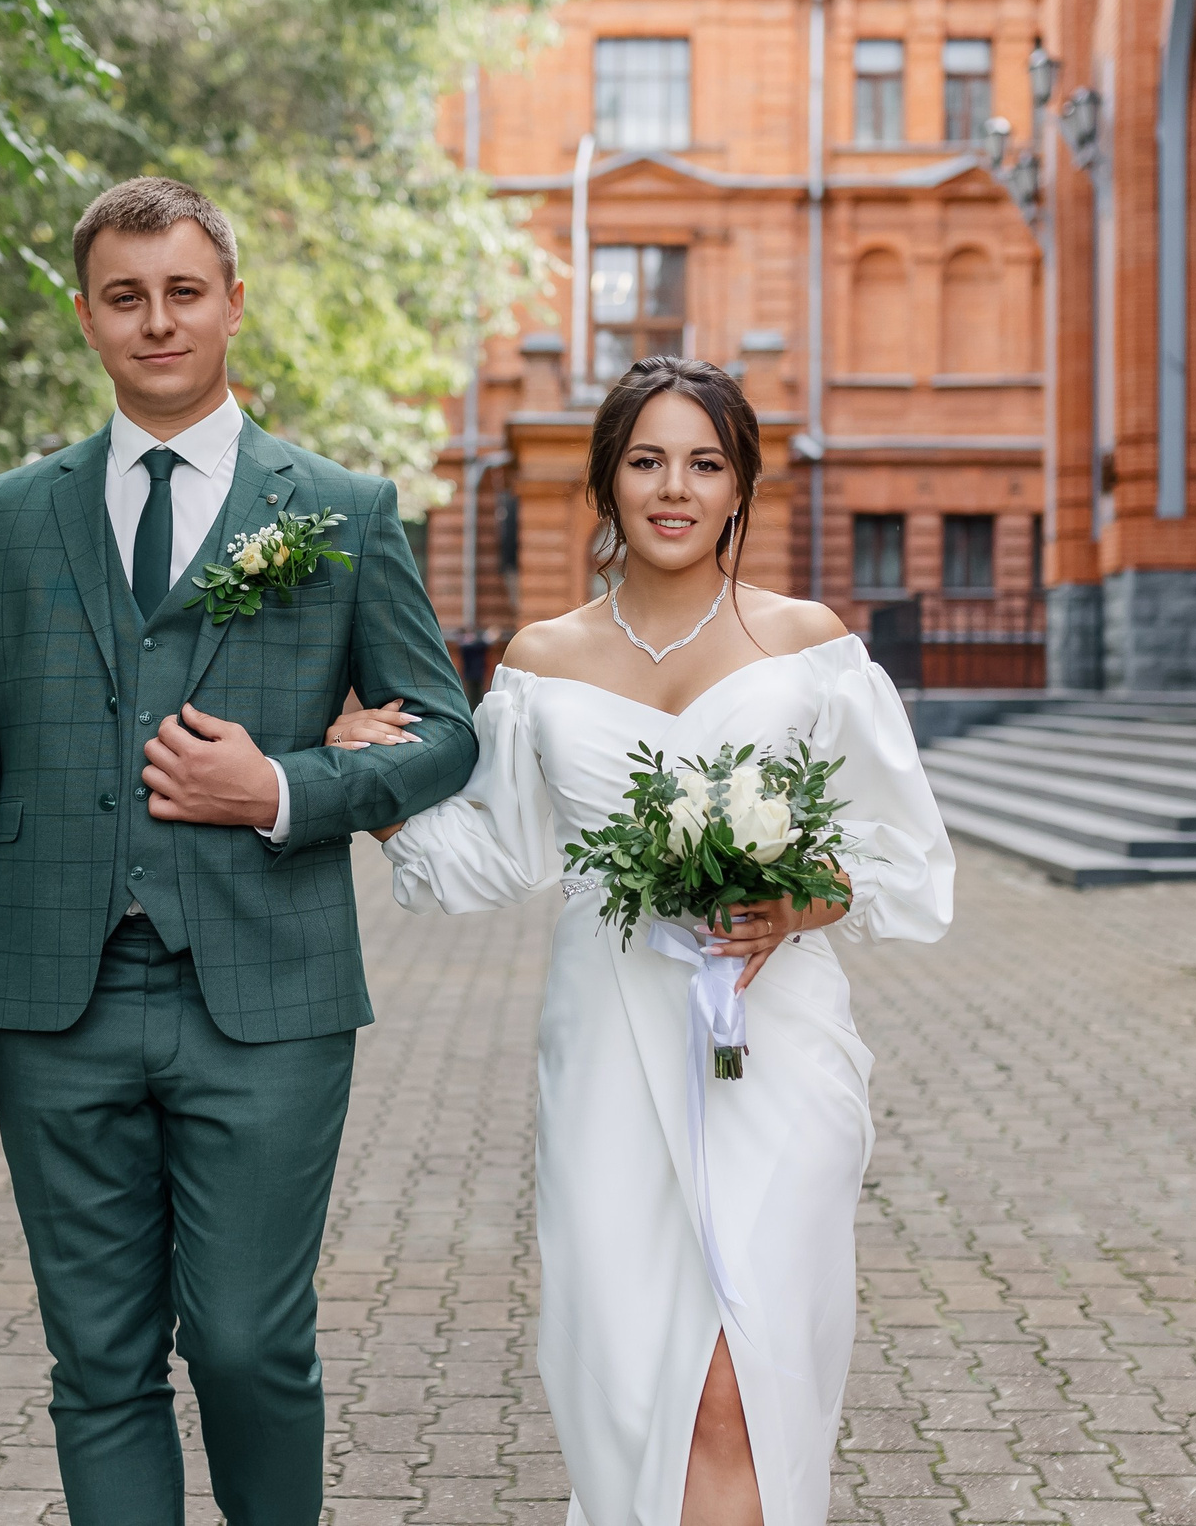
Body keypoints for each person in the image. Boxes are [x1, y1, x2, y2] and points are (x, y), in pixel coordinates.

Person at [0, 176, 478, 1526]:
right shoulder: (10, 514)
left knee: (246, 1342)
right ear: (89, 314)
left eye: (182, 291)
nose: (156, 320)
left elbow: (446, 731)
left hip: (268, 998)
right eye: (125, 295)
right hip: (54, 999)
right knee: (97, 1358)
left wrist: (281, 783)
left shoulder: (336, 508)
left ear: (229, 303)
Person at [331, 356, 955, 1526]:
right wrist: (367, 781)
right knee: (629, 1378)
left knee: (744, 1380)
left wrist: (796, 901)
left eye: (705, 463)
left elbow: (903, 857)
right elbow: (492, 856)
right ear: (608, 483)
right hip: (609, 1045)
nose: (675, 487)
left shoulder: (808, 646)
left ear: (739, 487)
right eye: (648, 460)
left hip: (772, 1044)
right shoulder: (542, 660)